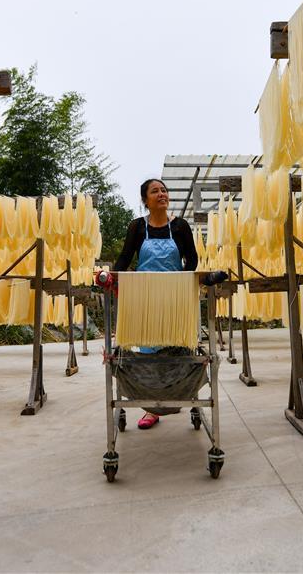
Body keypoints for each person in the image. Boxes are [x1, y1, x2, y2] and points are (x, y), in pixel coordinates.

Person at [113, 178, 198, 429]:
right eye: (155, 191)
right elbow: (125, 259)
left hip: (174, 300)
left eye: (164, 190)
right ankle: (152, 409)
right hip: (146, 301)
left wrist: (180, 286)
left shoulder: (181, 226)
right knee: (149, 354)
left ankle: (182, 395)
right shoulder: (137, 227)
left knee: (177, 350)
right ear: (145, 200)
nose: (161, 194)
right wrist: (113, 281)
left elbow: (191, 260)